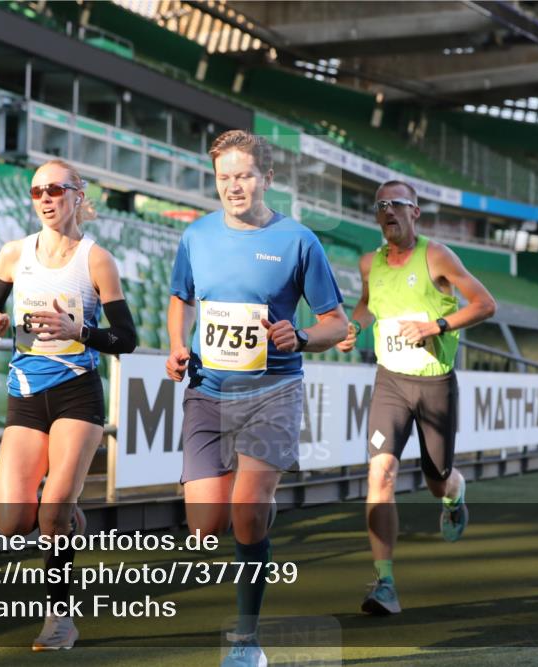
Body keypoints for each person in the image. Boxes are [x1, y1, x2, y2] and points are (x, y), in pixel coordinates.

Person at [165, 129, 347, 666]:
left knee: (246, 516)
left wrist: (303, 335)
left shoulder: (298, 241)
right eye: (224, 177)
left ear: (267, 178)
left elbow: (335, 323)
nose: (233, 187)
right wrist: (177, 346)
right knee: (204, 525)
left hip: (274, 390)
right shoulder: (196, 236)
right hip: (207, 392)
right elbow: (181, 298)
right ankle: (256, 517)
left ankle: (247, 641)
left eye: (244, 175)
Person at [0, 158, 137, 650]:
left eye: (54, 190)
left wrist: (80, 331)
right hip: (25, 393)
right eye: (36, 192)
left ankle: (60, 619)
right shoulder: (13, 254)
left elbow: (126, 339)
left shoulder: (96, 260)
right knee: (13, 521)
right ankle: (65, 509)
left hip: (77, 392)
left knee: (50, 520)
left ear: (76, 194)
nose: (45, 199)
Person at [337, 180, 497, 616]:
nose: (387, 211)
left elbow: (485, 305)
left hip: (434, 383)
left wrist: (437, 327)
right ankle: (385, 582)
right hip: (390, 381)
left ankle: (454, 492)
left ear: (415, 212)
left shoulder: (438, 256)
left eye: (396, 204)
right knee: (380, 473)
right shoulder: (370, 262)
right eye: (380, 206)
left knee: (435, 479)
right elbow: (368, 304)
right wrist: (354, 327)